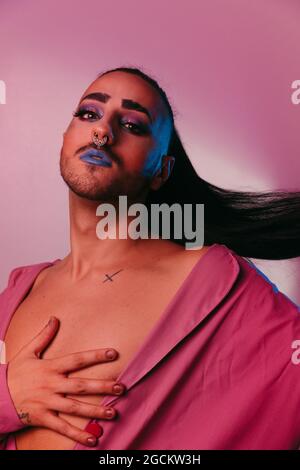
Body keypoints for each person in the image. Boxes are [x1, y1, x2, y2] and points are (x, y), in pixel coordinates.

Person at [0, 67, 300, 450]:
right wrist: (9, 399)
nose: (102, 132)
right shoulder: (18, 289)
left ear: (161, 170)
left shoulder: (215, 282)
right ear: (64, 139)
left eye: (132, 125)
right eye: (89, 114)